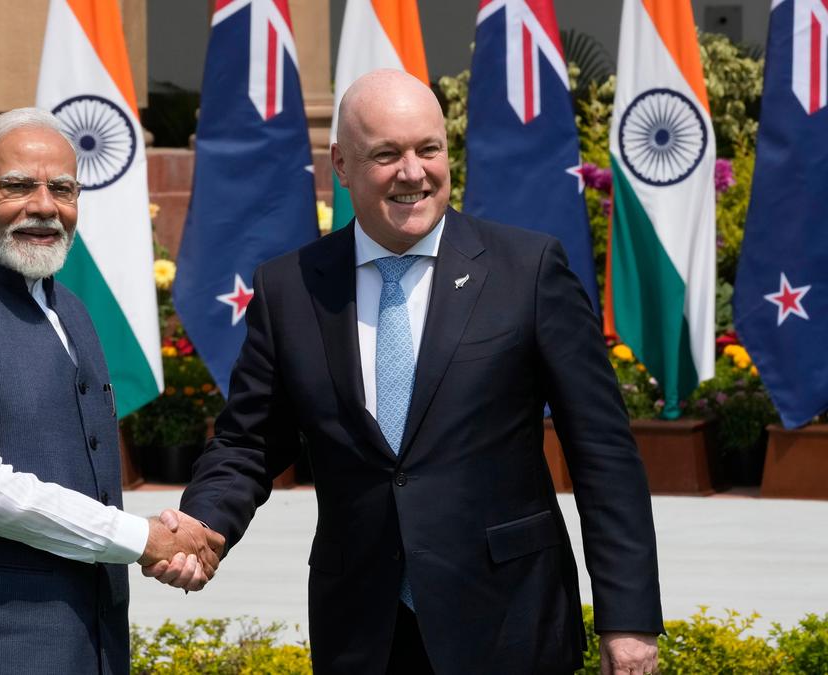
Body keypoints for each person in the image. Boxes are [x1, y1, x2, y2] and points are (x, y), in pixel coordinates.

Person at [144, 70, 663, 674]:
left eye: (428, 149)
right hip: (363, 632)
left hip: (511, 623)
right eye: (386, 154)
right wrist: (203, 524)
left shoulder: (528, 270)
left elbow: (602, 452)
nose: (413, 172)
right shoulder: (291, 288)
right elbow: (249, 442)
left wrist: (628, 618)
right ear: (342, 165)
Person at [0, 108, 222, 675]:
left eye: (63, 189)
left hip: (81, 645)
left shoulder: (68, 309)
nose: (45, 206)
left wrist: (158, 538)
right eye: (18, 186)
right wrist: (142, 538)